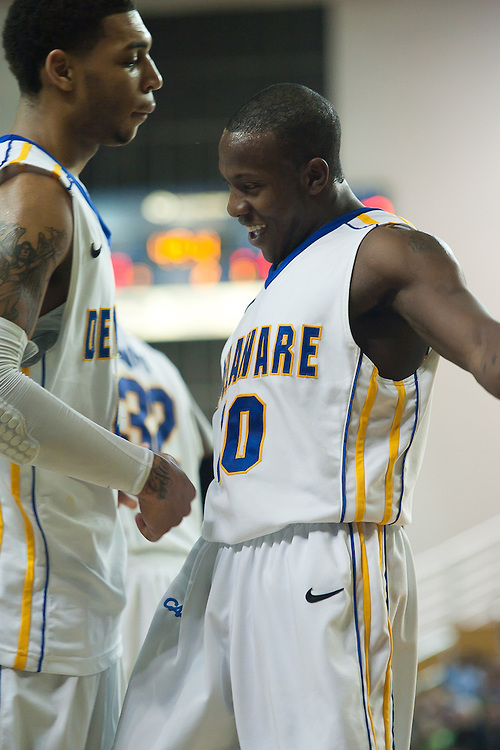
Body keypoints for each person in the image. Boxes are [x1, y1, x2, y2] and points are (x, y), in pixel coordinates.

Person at [112, 82, 500, 750]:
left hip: (325, 557)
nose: (236, 206)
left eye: (251, 186)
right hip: (222, 556)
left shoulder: (386, 250)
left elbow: (486, 350)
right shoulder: (273, 289)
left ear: (314, 175)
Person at [0, 3, 195, 750]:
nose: (154, 77)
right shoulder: (32, 195)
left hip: (72, 606)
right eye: (131, 57)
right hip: (29, 624)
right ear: (61, 69)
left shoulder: (59, 196)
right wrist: (142, 470)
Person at [115, 325, 212, 679]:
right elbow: (207, 455)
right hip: (184, 574)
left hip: (116, 575)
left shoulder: (67, 354)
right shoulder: (160, 364)